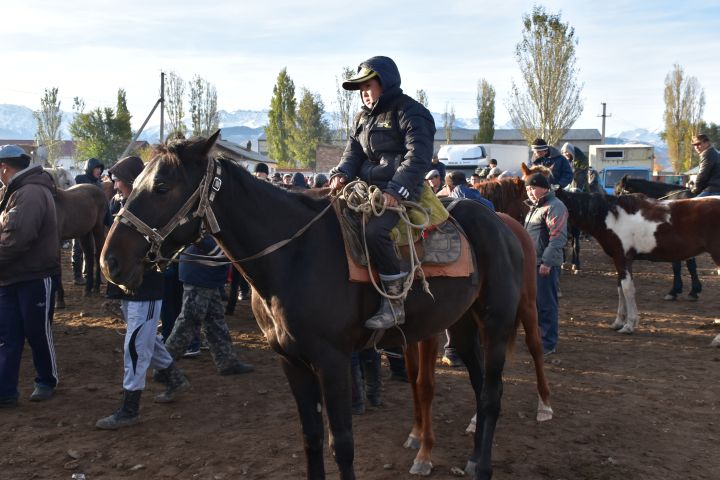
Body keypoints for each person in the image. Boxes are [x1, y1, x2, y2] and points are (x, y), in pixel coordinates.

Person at [329, 56, 436, 330]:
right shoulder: (362, 118)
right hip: (365, 190)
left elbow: (418, 157)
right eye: (360, 89)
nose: (364, 93)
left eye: (368, 86)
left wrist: (396, 190)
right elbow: (352, 152)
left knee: (375, 231)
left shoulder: (411, 112)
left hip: (402, 190)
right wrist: (341, 173)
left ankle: (393, 303)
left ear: (385, 83)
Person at [96, 156, 190, 429]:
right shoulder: (121, 207)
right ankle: (174, 378)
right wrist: (113, 292)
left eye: (118, 179)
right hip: (129, 287)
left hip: (147, 288)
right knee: (145, 339)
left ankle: (130, 407)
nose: (114, 185)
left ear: (130, 181)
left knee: (137, 345)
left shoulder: (152, 214)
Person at [0, 145, 60, 407]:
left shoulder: (30, 193)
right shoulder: (14, 192)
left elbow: (17, 239)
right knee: (7, 335)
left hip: (33, 276)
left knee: (37, 332)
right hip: (10, 275)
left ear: (5, 168)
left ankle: (46, 380)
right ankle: (5, 391)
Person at [163, 235, 254, 376]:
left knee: (215, 320)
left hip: (206, 272)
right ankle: (164, 365)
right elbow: (212, 247)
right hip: (201, 271)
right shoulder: (210, 218)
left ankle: (227, 362)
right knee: (188, 321)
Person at [524, 172, 568, 355]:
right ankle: (538, 338)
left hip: (544, 264)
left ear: (544, 188)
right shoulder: (535, 207)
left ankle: (548, 343)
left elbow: (558, 237)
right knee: (534, 304)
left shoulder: (555, 206)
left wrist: (547, 262)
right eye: (527, 189)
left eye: (533, 188)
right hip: (532, 263)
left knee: (546, 304)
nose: (530, 192)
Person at [71, 157, 105, 285]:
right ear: (90, 168)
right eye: (97, 168)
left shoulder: (98, 184)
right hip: (78, 219)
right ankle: (77, 275)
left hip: (94, 220)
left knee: (93, 249)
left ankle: (90, 274)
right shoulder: (80, 180)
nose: (99, 171)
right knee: (78, 248)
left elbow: (103, 204)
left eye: (100, 169)